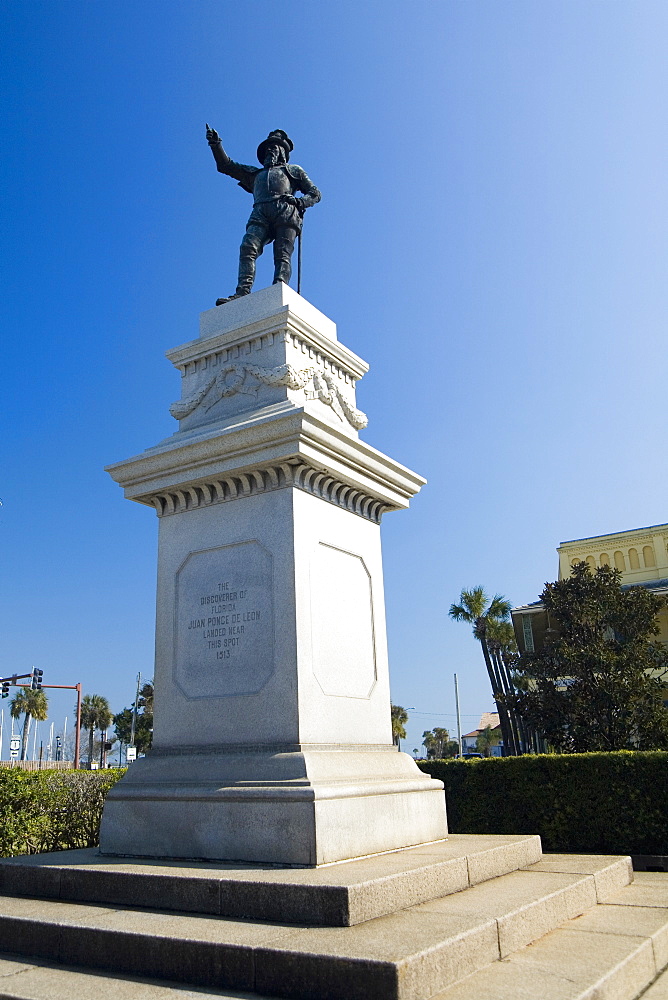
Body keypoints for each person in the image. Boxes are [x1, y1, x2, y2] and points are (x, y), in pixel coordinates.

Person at [205, 126, 321, 304]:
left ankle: (279, 288)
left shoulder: (294, 170)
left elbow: (315, 193)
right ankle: (242, 292)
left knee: (282, 254)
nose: (269, 150)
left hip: (286, 211)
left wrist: (300, 202)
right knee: (247, 247)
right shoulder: (255, 174)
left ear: (282, 151)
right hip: (260, 212)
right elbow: (225, 165)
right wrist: (215, 144)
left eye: (274, 147)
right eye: (267, 148)